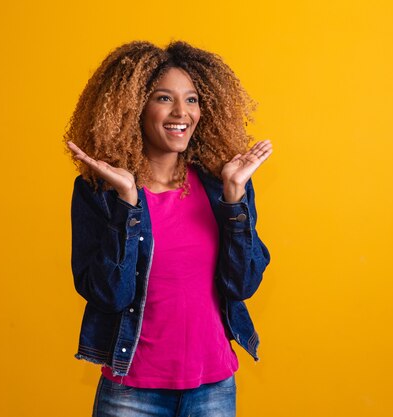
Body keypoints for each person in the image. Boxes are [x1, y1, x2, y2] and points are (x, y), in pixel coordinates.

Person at [64, 40, 272, 417]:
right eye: (164, 98)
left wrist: (235, 198)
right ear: (134, 108)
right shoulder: (102, 193)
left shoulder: (221, 186)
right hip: (131, 392)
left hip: (213, 389)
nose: (182, 112)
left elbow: (243, 284)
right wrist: (127, 201)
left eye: (192, 99)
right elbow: (107, 294)